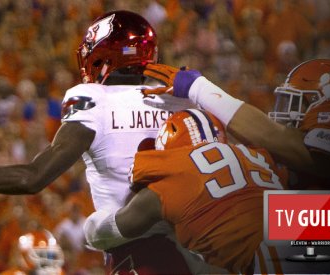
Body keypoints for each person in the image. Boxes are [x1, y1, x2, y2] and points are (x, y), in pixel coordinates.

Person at [0, 10, 210, 274]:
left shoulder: (94, 98)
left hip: (142, 254)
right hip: (203, 252)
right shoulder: (182, 99)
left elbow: (33, 178)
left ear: (105, 54)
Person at [140, 59, 330, 273]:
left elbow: (305, 154)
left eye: (297, 103)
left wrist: (201, 90)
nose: (286, 113)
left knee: (247, 220)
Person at [84, 108, 286, 273]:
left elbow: (108, 232)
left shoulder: (176, 172)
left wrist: (93, 223)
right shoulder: (253, 154)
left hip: (272, 254)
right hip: (303, 219)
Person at [0, 229, 65, 275]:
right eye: (41, 255)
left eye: (49, 255)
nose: (46, 260)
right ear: (25, 256)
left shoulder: (58, 273)